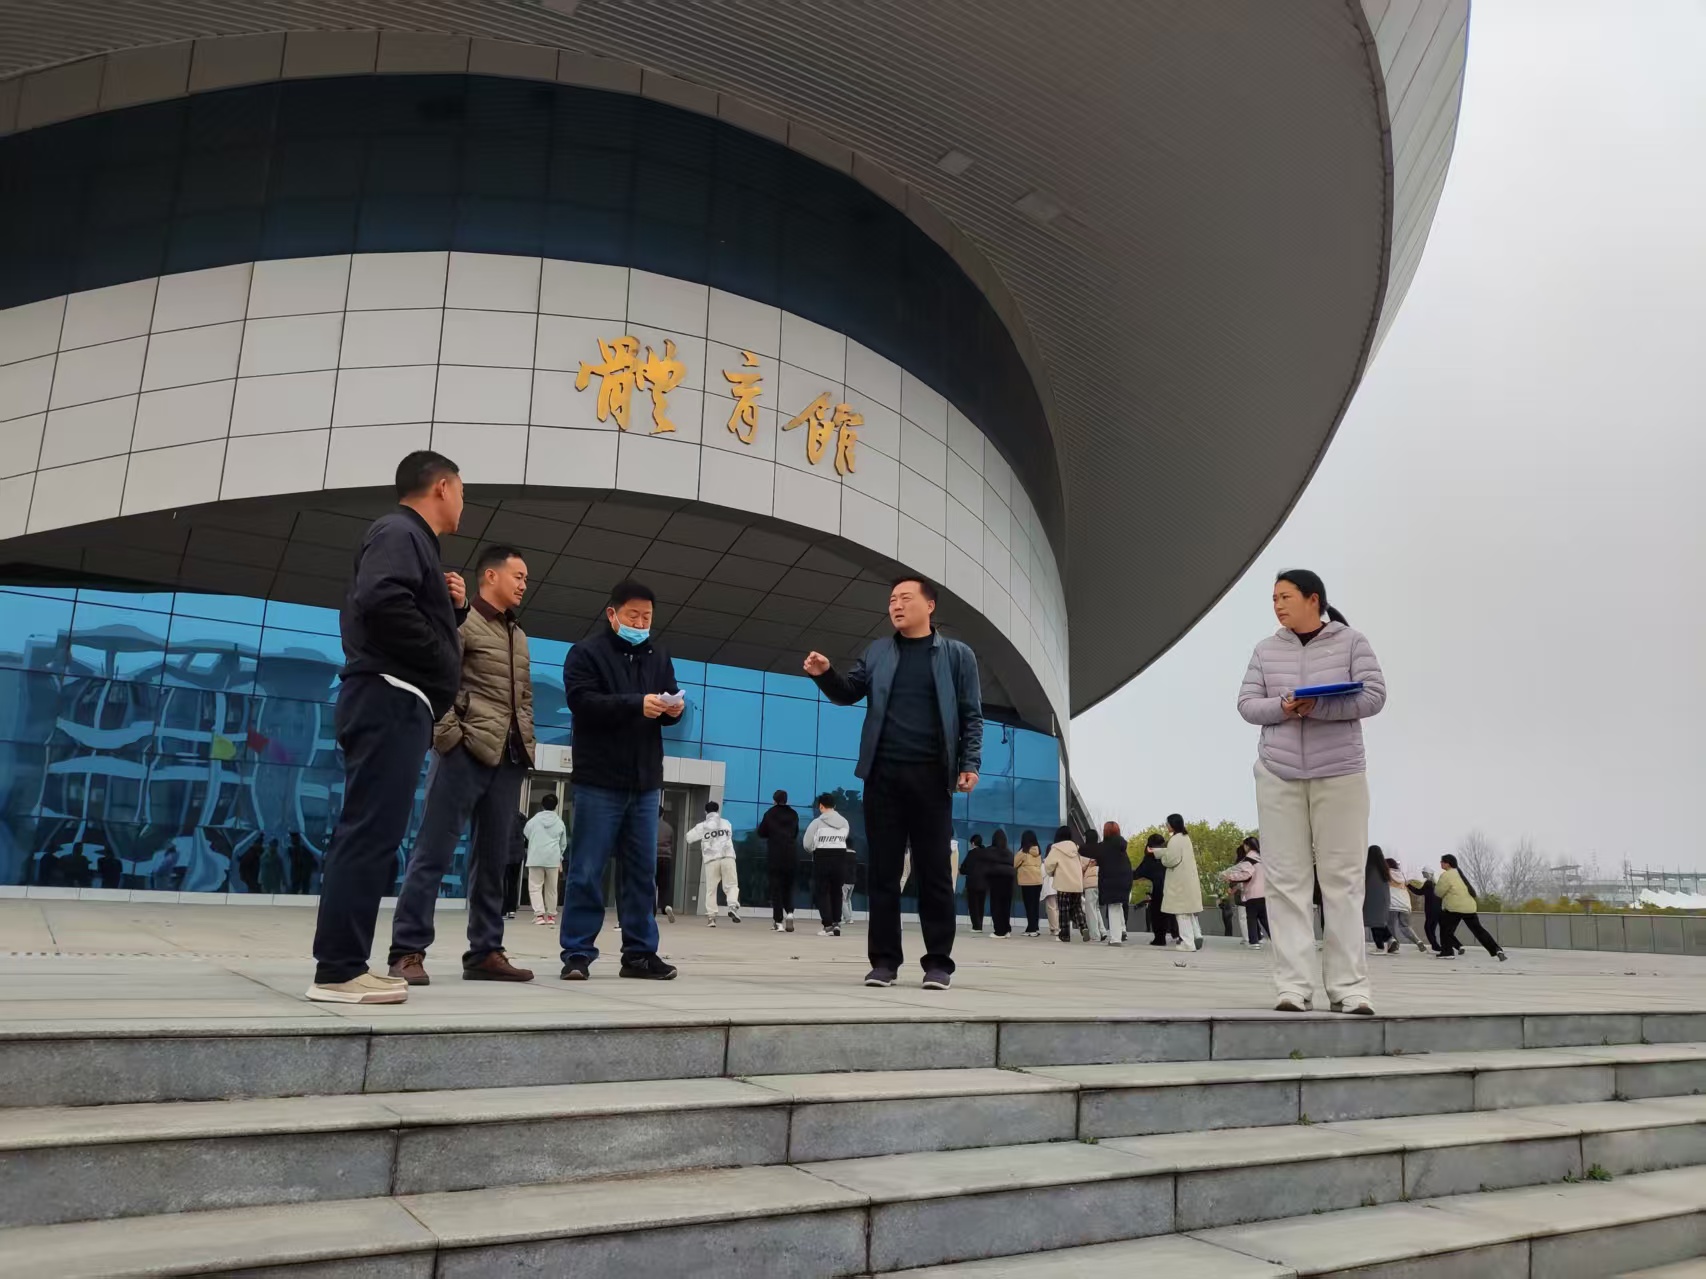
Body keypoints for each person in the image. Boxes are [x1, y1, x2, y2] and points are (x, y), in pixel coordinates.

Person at [307, 451, 466, 1005]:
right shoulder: (400, 531)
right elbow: (382, 601)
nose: (463, 503)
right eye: (461, 491)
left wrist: (449, 612)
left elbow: (396, 604)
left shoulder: (412, 541)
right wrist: (438, 656)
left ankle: (345, 964)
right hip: (389, 694)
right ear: (441, 487)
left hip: (397, 697)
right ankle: (337, 971)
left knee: (374, 834)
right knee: (368, 833)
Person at [804, 575, 982, 991]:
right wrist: (825, 674)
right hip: (882, 777)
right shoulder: (878, 652)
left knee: (934, 873)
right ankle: (884, 962)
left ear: (929, 605)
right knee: (883, 874)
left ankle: (938, 964)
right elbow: (848, 692)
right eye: (891, 600)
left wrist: (970, 763)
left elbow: (971, 715)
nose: (896, 606)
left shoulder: (957, 655)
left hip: (932, 778)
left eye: (905, 598)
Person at [1238, 568, 1387, 1015]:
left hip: (1339, 772)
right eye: (1273, 598)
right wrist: (1284, 707)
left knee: (1343, 880)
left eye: (1285, 596)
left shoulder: (1352, 642)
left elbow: (1374, 696)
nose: (1277, 605)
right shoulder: (1265, 650)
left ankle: (1350, 988)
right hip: (1278, 773)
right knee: (1286, 881)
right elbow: (1247, 704)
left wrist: (1318, 707)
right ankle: (1293, 986)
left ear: (1313, 599)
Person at [388, 543, 537, 986]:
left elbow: (524, 697)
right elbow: (437, 680)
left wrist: (525, 741)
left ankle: (485, 952)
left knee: (493, 860)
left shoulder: (518, 633)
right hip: (463, 754)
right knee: (432, 853)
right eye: (518, 576)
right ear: (490, 576)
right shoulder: (461, 620)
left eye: (525, 579)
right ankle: (407, 951)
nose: (524, 585)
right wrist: (450, 739)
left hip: (507, 758)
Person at [558, 580, 684, 982]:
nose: (641, 623)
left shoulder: (658, 655)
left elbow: (667, 700)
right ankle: (577, 952)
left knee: (642, 872)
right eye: (634, 616)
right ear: (612, 614)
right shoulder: (586, 653)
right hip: (599, 779)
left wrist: (674, 710)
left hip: (645, 781)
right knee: (586, 869)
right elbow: (581, 701)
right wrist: (636, 704)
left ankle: (640, 954)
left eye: (647, 617)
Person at [1437, 854, 1507, 960]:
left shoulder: (1446, 875)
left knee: (1445, 929)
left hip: (1454, 908)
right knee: (1479, 931)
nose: (1440, 863)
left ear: (1447, 864)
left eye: (1442, 862)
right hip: (1469, 908)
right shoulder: (1459, 873)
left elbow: (1438, 892)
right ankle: (1497, 949)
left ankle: (1447, 952)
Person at [687, 801, 740, 927]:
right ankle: (732, 906)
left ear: (705, 812)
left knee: (711, 889)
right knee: (731, 885)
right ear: (717, 811)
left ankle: (711, 918)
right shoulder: (727, 823)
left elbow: (689, 838)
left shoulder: (702, 826)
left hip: (711, 859)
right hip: (728, 857)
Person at [805, 793, 851, 936]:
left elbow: (807, 844)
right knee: (837, 891)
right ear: (834, 806)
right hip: (840, 858)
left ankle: (827, 926)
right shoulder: (845, 822)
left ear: (821, 806)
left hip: (822, 858)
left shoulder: (816, 823)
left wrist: (814, 849)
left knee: (822, 892)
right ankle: (837, 924)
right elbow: (845, 837)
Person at [758, 789, 801, 933]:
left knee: (776, 888)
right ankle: (790, 912)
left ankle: (778, 922)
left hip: (775, 855)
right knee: (788, 887)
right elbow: (795, 833)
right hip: (791, 853)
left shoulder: (770, 813)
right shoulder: (793, 814)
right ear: (786, 799)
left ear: (774, 800)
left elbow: (761, 832)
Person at [1159, 815, 1204, 952]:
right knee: (1187, 912)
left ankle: (1187, 943)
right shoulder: (1185, 838)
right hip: (1188, 880)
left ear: (1172, 824)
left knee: (1181, 912)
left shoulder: (1175, 839)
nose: (1166, 825)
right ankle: (1193, 938)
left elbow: (1171, 860)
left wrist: (1162, 858)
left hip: (1179, 882)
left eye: (1167, 823)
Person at [524, 793, 567, 924]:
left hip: (536, 857)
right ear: (556, 806)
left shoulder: (534, 821)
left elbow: (526, 833)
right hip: (553, 859)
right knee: (552, 889)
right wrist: (559, 856)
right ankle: (551, 916)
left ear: (542, 805)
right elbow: (563, 843)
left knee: (535, 887)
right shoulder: (560, 822)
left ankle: (539, 916)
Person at [1043, 827, 1088, 943]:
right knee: (1076, 907)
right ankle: (1084, 927)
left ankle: (1065, 935)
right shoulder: (1075, 848)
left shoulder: (1056, 848)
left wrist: (1051, 873)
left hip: (1063, 883)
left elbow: (1048, 864)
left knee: (1064, 910)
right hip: (1077, 883)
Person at [1221, 838, 1269, 947]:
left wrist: (1230, 877)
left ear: (1247, 846)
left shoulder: (1248, 859)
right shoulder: (1262, 858)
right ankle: (1276, 940)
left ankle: (1254, 942)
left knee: (1251, 918)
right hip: (1264, 893)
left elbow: (1246, 875)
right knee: (1264, 919)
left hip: (1252, 893)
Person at [1094, 821, 1133, 945]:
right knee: (1119, 906)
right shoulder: (1122, 846)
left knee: (1113, 907)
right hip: (1125, 879)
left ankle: (1115, 938)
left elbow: (1100, 859)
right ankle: (1121, 931)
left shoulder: (1103, 846)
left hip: (1110, 880)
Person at [1135, 833, 1178, 946]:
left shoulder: (1151, 857)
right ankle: (1178, 934)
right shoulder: (1168, 854)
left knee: (1157, 913)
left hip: (1158, 889)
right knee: (1173, 912)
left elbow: (1139, 872)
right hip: (1172, 887)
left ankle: (1160, 938)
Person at [1387, 858, 1427, 953]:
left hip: (1392, 904)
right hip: (1405, 904)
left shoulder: (1386, 873)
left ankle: (1394, 944)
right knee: (1405, 926)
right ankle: (1418, 941)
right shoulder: (1401, 875)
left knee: (1390, 926)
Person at [983, 829, 1017, 938]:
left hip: (996, 881)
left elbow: (985, 865)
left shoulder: (990, 851)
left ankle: (999, 931)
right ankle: (1006, 929)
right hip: (1009, 881)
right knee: (1006, 906)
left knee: (996, 906)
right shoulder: (1009, 853)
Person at [1364, 844, 1393, 954]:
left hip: (1372, 900)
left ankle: (1380, 947)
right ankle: (1390, 940)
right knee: (1379, 923)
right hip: (1383, 899)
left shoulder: (1369, 869)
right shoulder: (1384, 869)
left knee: (1374, 924)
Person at [1014, 831, 1044, 937]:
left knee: (1029, 906)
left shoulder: (1023, 852)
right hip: (1038, 881)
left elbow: (1014, 863)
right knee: (1035, 905)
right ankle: (1034, 927)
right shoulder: (1038, 851)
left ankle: (1031, 929)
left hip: (1027, 882)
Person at [1408, 867, 1443, 953]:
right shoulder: (1435, 884)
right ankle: (1436, 946)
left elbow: (1419, 892)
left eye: (1423, 873)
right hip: (1438, 910)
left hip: (1430, 909)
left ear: (1427, 873)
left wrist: (1408, 885)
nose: (1422, 874)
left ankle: (1436, 946)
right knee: (1432, 928)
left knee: (1427, 928)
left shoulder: (1428, 883)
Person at [1079, 827, 1104, 942]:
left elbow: (1081, 866)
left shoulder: (1083, 849)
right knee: (1096, 908)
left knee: (1090, 910)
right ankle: (1102, 931)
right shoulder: (1101, 848)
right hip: (1101, 880)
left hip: (1090, 882)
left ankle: (1095, 935)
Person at [655, 807, 676, 921]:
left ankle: (651, 910)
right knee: (665, 885)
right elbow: (671, 843)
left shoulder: (649, 825)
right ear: (662, 814)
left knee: (651, 885)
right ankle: (666, 906)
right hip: (666, 858)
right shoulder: (669, 827)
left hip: (653, 857)